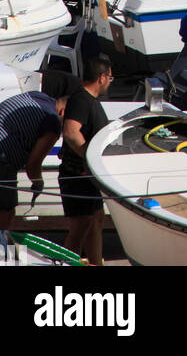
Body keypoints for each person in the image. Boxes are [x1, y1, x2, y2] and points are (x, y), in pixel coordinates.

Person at [0, 89, 67, 231]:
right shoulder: (53, 122)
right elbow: (33, 165)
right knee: (4, 215)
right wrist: (38, 183)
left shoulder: (36, 95)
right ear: (63, 112)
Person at [58, 55, 113, 266]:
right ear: (102, 77)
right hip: (76, 174)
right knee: (80, 226)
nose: (110, 81)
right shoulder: (81, 99)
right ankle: (65, 263)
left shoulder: (89, 100)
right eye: (110, 77)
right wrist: (89, 158)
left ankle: (95, 263)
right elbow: (71, 132)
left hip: (86, 176)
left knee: (96, 219)